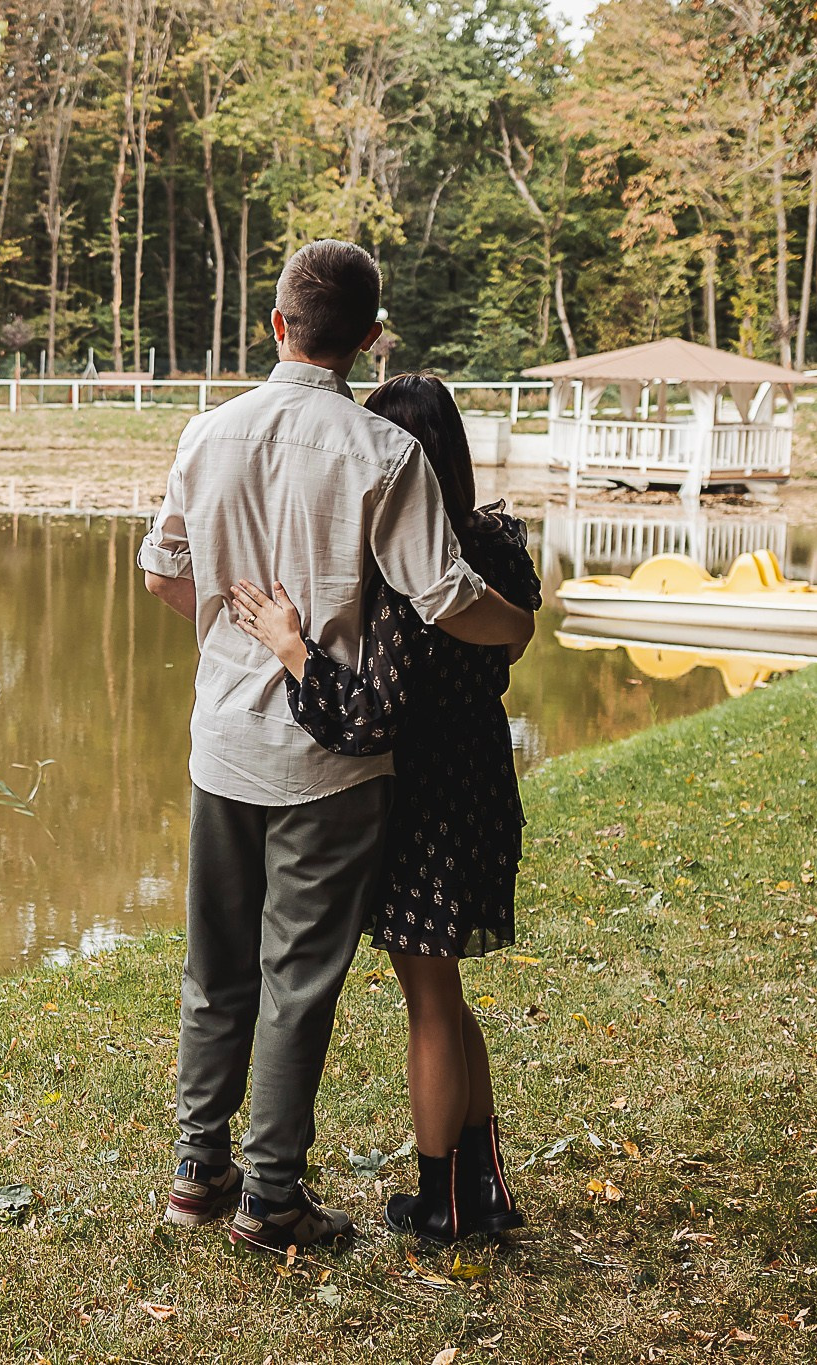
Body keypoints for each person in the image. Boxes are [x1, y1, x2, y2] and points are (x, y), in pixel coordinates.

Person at [139, 241, 536, 1255]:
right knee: (297, 978)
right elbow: (444, 597)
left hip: (220, 741)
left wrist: (227, 628)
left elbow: (162, 572)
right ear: (367, 339)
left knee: (212, 964)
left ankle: (196, 1172)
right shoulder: (381, 454)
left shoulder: (207, 431)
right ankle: (270, 1199)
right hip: (326, 766)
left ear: (276, 324)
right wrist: (518, 628)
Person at [227, 373, 539, 1244]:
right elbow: (519, 630)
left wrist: (294, 651)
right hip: (485, 781)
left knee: (430, 1003)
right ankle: (484, 1187)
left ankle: (440, 1204)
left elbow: (367, 719)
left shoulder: (411, 587)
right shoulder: (498, 545)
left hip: (429, 802)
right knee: (449, 994)